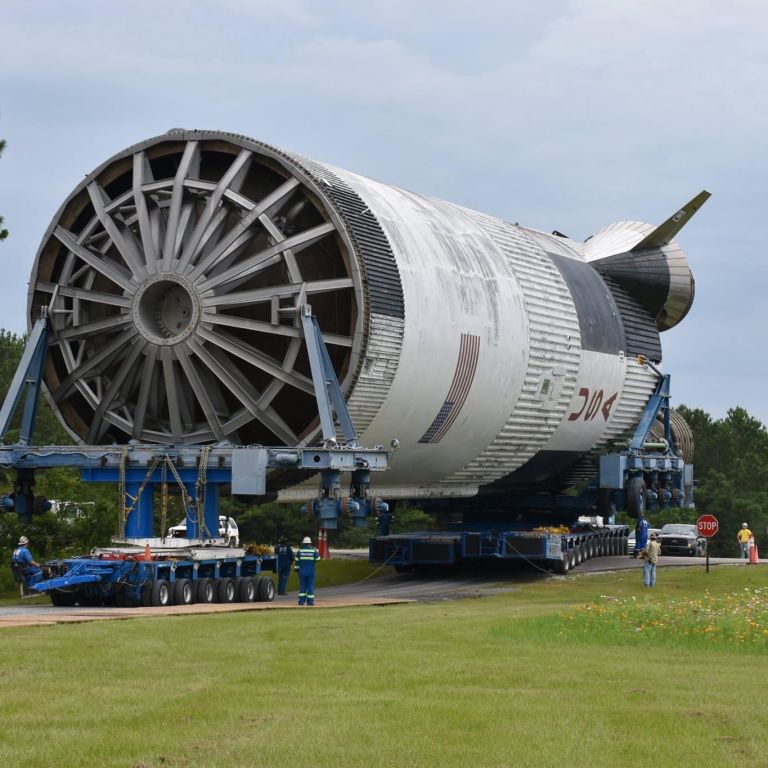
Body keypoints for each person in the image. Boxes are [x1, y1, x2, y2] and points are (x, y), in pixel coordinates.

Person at [295, 536, 320, 606]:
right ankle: (310, 602)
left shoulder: (300, 551)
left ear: (303, 543)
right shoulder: (313, 551)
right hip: (310, 572)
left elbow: (296, 562)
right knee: (310, 586)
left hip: (302, 572)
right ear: (310, 543)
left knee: (302, 586)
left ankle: (301, 602)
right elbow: (318, 559)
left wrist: (296, 571)